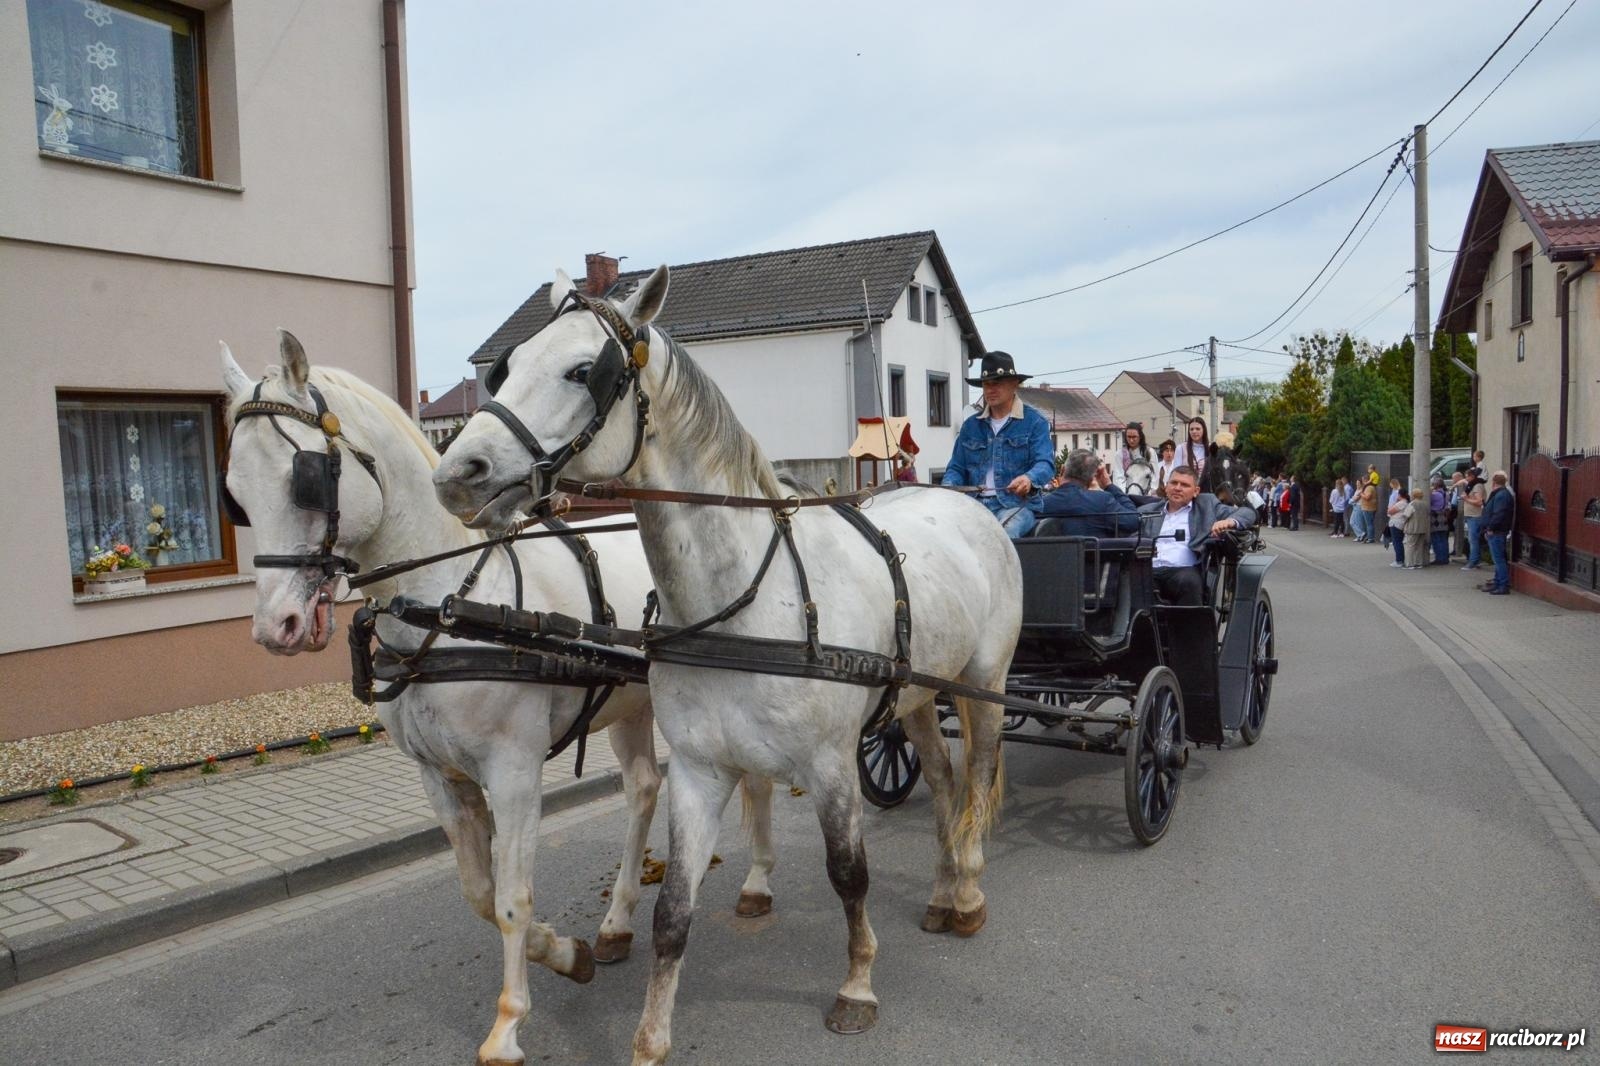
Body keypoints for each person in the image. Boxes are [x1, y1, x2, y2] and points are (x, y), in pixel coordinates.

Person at [941, 351, 1055, 540]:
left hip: (1016, 507)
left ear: (1014, 385)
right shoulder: (970, 426)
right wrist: (948, 487)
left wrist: (1028, 478)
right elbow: (956, 468)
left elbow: (1045, 464)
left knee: (1002, 537)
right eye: (987, 384)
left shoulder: (1035, 422)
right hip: (973, 506)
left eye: (997, 383)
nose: (990, 389)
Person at [1136, 465, 1256, 605]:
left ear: (1196, 491)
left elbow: (1247, 513)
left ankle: (1191, 626)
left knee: (1189, 582)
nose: (1178, 488)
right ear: (1166, 487)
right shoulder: (1147, 511)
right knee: (1128, 582)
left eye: (1185, 485)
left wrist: (1229, 521)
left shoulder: (1207, 505)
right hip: (1148, 570)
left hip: (1183, 571)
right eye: (1174, 483)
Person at [1038, 448, 1141, 537]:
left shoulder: (1040, 505)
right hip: (1093, 559)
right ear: (1091, 479)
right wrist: (1108, 485)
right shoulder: (1102, 501)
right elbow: (1134, 521)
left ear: (1062, 470)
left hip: (1047, 559)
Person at [1481, 470, 1515, 595]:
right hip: (1497, 530)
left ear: (1494, 482)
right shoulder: (1502, 494)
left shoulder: (1501, 495)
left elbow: (1499, 514)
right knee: (1498, 559)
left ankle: (1503, 585)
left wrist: (1490, 528)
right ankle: (1497, 582)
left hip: (1497, 531)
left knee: (1499, 559)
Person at [1115, 423, 1155, 495]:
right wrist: (1125, 494)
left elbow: (1155, 475)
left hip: (1146, 494)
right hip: (1127, 493)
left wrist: (1150, 492)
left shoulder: (1149, 452)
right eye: (1129, 437)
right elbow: (1118, 476)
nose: (1131, 440)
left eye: (1134, 437)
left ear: (1140, 437)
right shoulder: (1120, 454)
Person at [1460, 472, 1486, 571]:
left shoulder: (1477, 486)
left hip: (1475, 516)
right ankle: (1477, 560)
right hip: (1471, 516)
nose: (1465, 478)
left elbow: (1479, 502)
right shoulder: (1471, 486)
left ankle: (1473, 561)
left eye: (1467, 476)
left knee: (1473, 540)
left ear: (1472, 477)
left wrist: (1466, 499)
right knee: (1474, 539)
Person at [1403, 487, 1428, 569]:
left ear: (1413, 495)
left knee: (1410, 546)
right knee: (1419, 546)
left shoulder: (1412, 504)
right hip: (1423, 528)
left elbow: (1406, 516)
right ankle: (1419, 563)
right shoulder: (1425, 504)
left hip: (1413, 528)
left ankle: (1410, 564)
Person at [1428, 475, 1451, 564]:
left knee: (1436, 539)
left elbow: (1428, 500)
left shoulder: (1435, 494)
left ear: (1435, 485)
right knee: (1443, 539)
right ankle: (1445, 558)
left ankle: (1439, 558)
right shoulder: (1446, 494)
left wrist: (1430, 491)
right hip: (1444, 516)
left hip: (1436, 517)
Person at [1358, 477, 1380, 544]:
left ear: (1366, 480)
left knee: (1369, 524)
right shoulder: (1369, 487)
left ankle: (1370, 538)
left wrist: (1361, 494)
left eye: (1363, 481)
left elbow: (1367, 497)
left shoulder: (1369, 487)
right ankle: (1369, 537)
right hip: (1368, 507)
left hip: (1368, 508)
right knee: (1369, 524)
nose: (1362, 482)